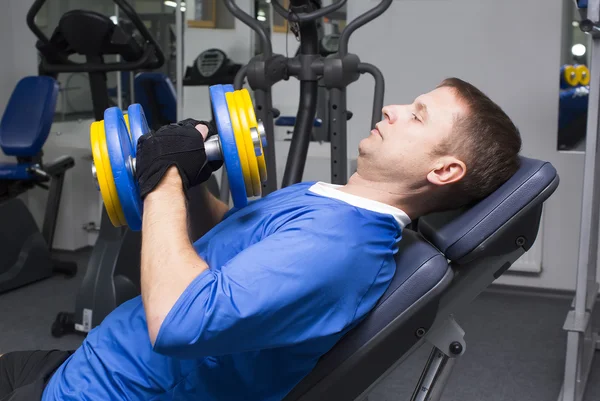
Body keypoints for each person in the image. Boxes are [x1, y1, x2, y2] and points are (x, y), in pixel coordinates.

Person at [0, 77, 521, 401]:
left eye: (418, 115)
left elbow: (179, 321)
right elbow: (232, 241)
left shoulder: (341, 247)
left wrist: (162, 180)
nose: (393, 109)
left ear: (446, 169)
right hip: (96, 364)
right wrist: (196, 184)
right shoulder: (335, 203)